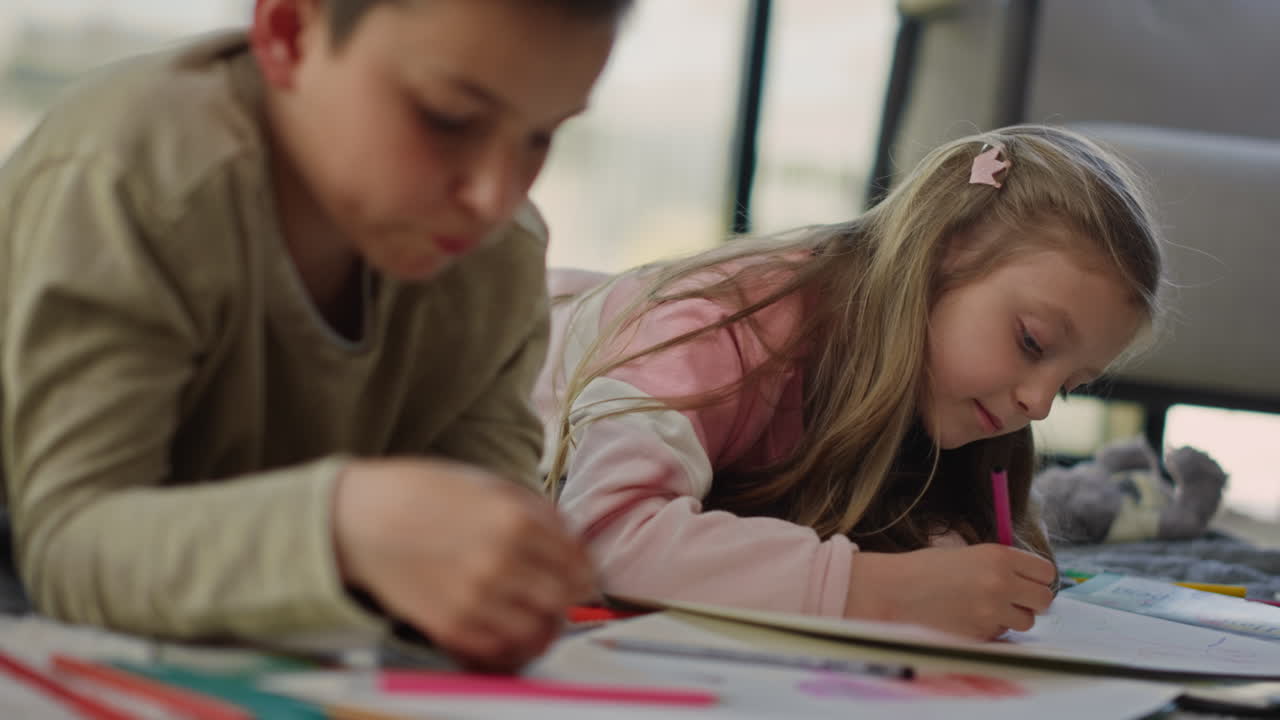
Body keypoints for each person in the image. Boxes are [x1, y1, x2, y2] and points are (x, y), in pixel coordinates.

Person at [0, 0, 631, 671]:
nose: (495, 196)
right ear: (288, 33)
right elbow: (64, 548)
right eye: (449, 117)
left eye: (542, 137)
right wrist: (342, 527)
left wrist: (498, 585)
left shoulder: (497, 258)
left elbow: (473, 554)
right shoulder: (130, 175)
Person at [535, 125, 1164, 640]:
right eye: (1032, 342)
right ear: (943, 250)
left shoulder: (932, 397)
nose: (1040, 402)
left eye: (1073, 385)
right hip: (481, 345)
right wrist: (880, 592)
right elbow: (600, 536)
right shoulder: (723, 324)